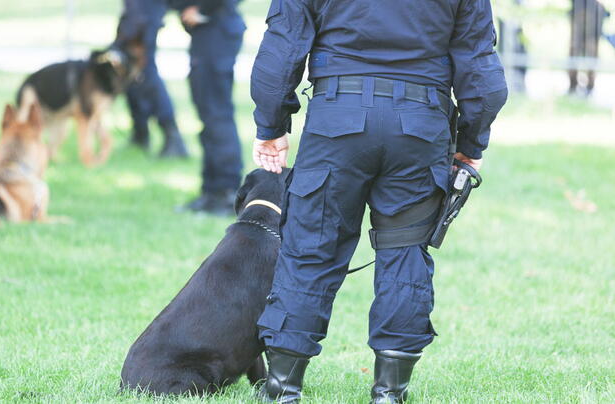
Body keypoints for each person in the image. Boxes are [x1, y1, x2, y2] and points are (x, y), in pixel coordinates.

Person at [251, 0, 507, 403]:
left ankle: (282, 389)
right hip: (419, 127)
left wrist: (271, 125)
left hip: (337, 121)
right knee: (405, 253)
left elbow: (282, 46)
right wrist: (472, 141)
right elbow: (479, 63)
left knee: (310, 250)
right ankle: (389, 393)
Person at [172, 0, 246, 215]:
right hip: (207, 33)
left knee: (217, 115)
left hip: (217, 30)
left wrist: (202, 9)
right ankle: (211, 191)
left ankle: (226, 193)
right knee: (208, 115)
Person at [116, 0, 189, 157]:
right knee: (128, 68)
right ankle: (140, 133)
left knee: (145, 70)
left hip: (145, 8)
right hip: (136, 8)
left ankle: (172, 136)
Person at [569, 0, 610, 95]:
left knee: (591, 56)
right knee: (574, 54)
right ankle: (573, 85)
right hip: (580, 17)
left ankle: (589, 87)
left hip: (592, 30)